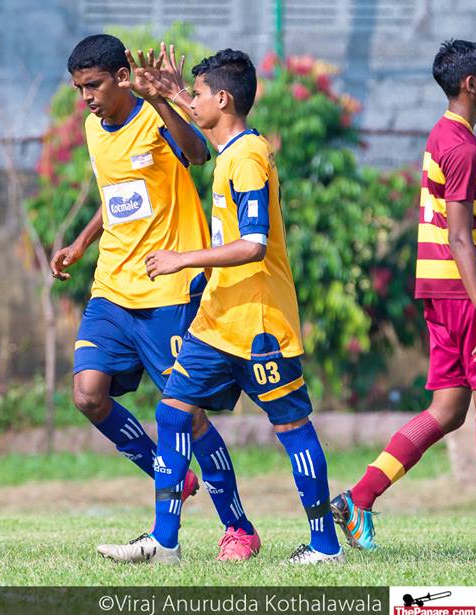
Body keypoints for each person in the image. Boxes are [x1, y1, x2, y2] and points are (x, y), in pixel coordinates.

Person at [97, 47, 343, 565]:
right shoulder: (230, 148)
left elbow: (254, 243)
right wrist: (169, 92)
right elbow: (203, 127)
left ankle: (325, 546)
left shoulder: (249, 157)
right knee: (172, 413)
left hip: (258, 324)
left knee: (292, 428)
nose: (196, 100)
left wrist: (183, 259)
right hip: (216, 321)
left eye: (202, 93)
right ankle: (166, 543)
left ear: (224, 98)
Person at [56, 35, 257, 554]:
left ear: (122, 77)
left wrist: (163, 100)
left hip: (168, 289)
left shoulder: (153, 117)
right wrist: (81, 241)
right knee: (87, 394)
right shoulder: (91, 130)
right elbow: (115, 198)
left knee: (188, 413)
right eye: (80, 89)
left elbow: (195, 153)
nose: (87, 98)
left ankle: (238, 527)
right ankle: (172, 476)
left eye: (94, 85)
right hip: (111, 288)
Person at [332, 40, 476, 551]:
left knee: (448, 410)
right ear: (469, 84)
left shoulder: (444, 136)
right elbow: (459, 236)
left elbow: (467, 233)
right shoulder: (463, 147)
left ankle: (359, 497)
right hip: (464, 296)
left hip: (444, 291)